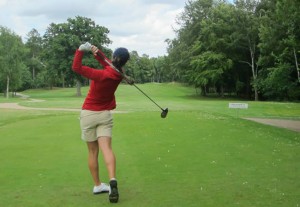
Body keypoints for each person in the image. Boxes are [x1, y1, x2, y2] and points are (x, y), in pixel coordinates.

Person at [72, 42, 131, 203]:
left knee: (92, 152)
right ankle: (112, 180)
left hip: (88, 115)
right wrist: (96, 52)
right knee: (107, 149)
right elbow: (109, 64)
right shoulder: (119, 74)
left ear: (114, 58)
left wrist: (80, 51)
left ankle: (98, 185)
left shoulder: (101, 75)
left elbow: (77, 68)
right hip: (104, 115)